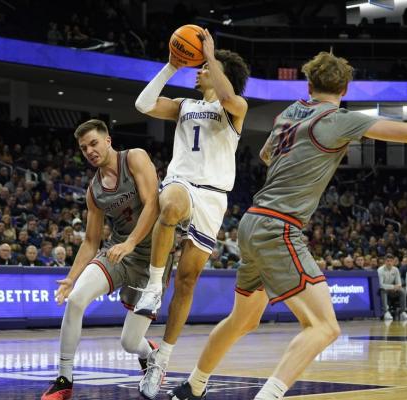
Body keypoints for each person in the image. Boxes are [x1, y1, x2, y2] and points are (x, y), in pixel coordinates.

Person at [167, 51, 407, 400]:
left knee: (244, 320)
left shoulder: (288, 112)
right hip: (278, 227)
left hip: (252, 223)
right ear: (345, 89)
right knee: (325, 327)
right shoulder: (338, 119)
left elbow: (267, 154)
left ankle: (192, 386)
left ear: (309, 85)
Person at [133, 29, 250, 398]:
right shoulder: (184, 104)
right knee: (169, 204)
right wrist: (170, 65)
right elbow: (143, 104)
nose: (198, 70)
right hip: (182, 183)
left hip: (214, 198)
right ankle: (153, 288)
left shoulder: (236, 108)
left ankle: (162, 359)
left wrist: (212, 56)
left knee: (186, 282)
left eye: (204, 67)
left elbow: (229, 94)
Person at [40, 119, 164, 400]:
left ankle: (150, 353)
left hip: (151, 258)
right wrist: (71, 279)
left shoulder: (134, 157)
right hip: (117, 252)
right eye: (84, 148)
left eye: (94, 143)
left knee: (130, 342)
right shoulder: (93, 192)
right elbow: (91, 241)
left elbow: (152, 204)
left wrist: (131, 242)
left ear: (108, 140)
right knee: (76, 300)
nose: (90, 151)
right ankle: (64, 379)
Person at [378, 254, 407, 321]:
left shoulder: (396, 269)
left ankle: (403, 312)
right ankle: (386, 312)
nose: (389, 263)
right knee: (382, 290)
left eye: (391, 261)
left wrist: (395, 287)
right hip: (383, 290)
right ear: (385, 262)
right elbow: (380, 285)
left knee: (402, 290)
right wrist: (392, 287)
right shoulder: (380, 270)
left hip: (393, 290)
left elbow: (399, 284)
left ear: (393, 262)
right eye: (387, 261)